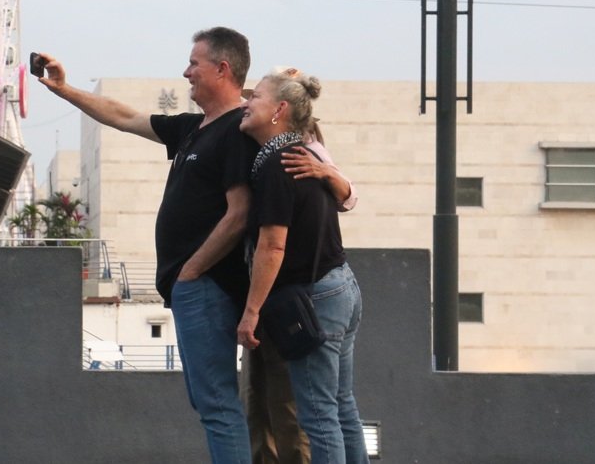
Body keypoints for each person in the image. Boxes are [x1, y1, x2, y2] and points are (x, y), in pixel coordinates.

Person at [36, 27, 257, 464]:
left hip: (207, 287)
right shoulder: (195, 128)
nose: (186, 71)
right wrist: (64, 90)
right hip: (191, 289)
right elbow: (123, 116)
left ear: (222, 68)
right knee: (208, 403)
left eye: (195, 63)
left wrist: (192, 271)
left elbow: (240, 214)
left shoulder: (236, 129)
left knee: (216, 404)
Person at [237, 70, 366, 463]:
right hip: (341, 286)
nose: (246, 103)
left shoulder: (281, 162)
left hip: (317, 296)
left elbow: (272, 246)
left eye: (254, 97)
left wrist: (252, 310)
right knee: (341, 405)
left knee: (319, 415)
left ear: (279, 110)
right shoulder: (302, 152)